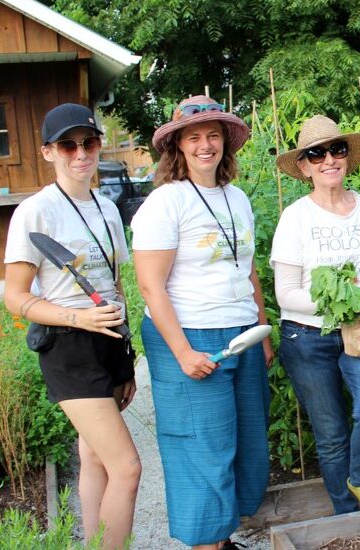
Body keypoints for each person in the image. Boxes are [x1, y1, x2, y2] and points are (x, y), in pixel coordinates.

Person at [131, 96, 272, 550]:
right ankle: (205, 544)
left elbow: (247, 269)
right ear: (178, 147)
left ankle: (222, 539)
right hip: (190, 335)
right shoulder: (165, 202)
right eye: (195, 137)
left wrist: (261, 329)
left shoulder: (237, 197)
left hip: (242, 333)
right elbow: (151, 287)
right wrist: (182, 352)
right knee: (202, 449)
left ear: (225, 144)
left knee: (246, 444)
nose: (205, 145)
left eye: (213, 135)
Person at [3, 103, 140, 550]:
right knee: (128, 467)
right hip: (69, 347)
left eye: (90, 142)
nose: (81, 153)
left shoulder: (107, 208)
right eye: (68, 145)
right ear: (48, 152)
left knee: (96, 458)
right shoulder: (35, 213)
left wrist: (126, 356)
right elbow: (16, 298)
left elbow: (115, 285)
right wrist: (78, 317)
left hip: (108, 343)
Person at [271, 115, 360, 517]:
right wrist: (346, 296)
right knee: (330, 434)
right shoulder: (296, 217)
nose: (329, 159)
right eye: (317, 153)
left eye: (337, 149)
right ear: (305, 166)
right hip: (307, 337)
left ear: (347, 158)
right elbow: (286, 294)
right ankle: (346, 518)